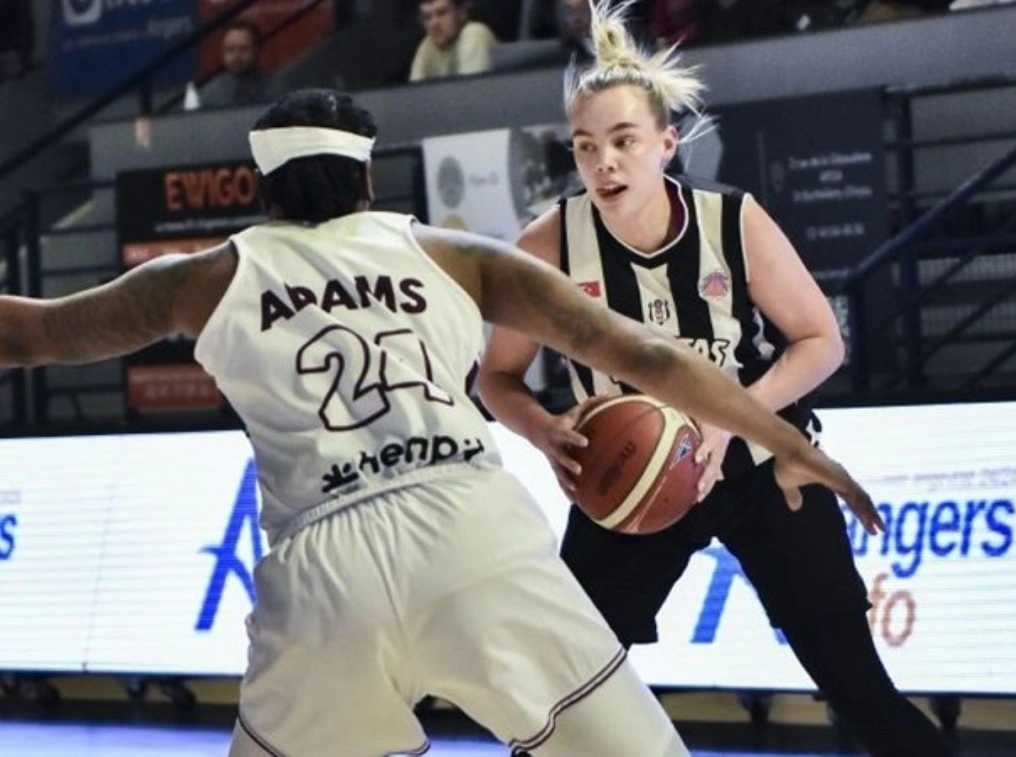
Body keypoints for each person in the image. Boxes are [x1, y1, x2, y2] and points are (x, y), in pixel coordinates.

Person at [0, 88, 881, 757]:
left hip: (323, 569)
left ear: (264, 188)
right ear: (367, 177)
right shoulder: (453, 255)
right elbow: (647, 354)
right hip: (474, 537)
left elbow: (33, 335)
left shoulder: (200, 277)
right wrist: (792, 441)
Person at [476, 3, 953, 755]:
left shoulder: (731, 219)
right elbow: (496, 377)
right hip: (628, 476)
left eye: (624, 141)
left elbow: (822, 341)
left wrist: (728, 420)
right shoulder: (549, 243)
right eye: (586, 146)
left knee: (856, 684)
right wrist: (544, 430)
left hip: (762, 465)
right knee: (562, 692)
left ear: (666, 144)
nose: (604, 163)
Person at [200, 19, 282, 110]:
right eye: (230, 50)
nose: (236, 56)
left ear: (257, 50)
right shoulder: (211, 93)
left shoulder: (276, 88)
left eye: (243, 49)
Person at [408, 0, 496, 81]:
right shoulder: (427, 45)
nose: (434, 24)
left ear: (462, 13)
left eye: (442, 13)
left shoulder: (475, 33)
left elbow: (471, 88)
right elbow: (414, 90)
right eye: (427, 17)